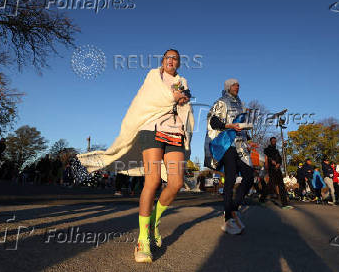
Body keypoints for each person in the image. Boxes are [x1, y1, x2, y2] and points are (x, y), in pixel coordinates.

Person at [77, 49, 194, 263]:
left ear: (178, 63)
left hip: (175, 132)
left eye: (175, 58)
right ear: (163, 61)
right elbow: (151, 99)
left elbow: (185, 106)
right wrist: (171, 97)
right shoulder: (153, 76)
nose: (171, 60)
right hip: (152, 129)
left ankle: (154, 223)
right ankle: (142, 239)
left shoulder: (182, 81)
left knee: (176, 183)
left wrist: (183, 100)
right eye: (168, 57)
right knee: (153, 180)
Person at [204, 78, 254, 235]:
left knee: (249, 176)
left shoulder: (241, 104)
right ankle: (228, 219)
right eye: (234, 84)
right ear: (227, 87)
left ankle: (233, 209)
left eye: (238, 84)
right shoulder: (221, 101)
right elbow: (213, 122)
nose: (237, 86)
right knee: (230, 178)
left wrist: (250, 141)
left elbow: (242, 125)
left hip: (241, 145)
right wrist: (229, 126)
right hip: (226, 144)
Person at [264, 137, 293, 209]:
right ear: (270, 141)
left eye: (275, 141)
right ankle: (262, 199)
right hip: (271, 169)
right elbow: (266, 158)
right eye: (273, 141)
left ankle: (284, 204)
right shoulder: (267, 150)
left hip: (278, 170)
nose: (274, 142)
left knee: (281, 186)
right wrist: (267, 166)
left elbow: (280, 159)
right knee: (270, 185)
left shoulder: (277, 151)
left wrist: (278, 164)